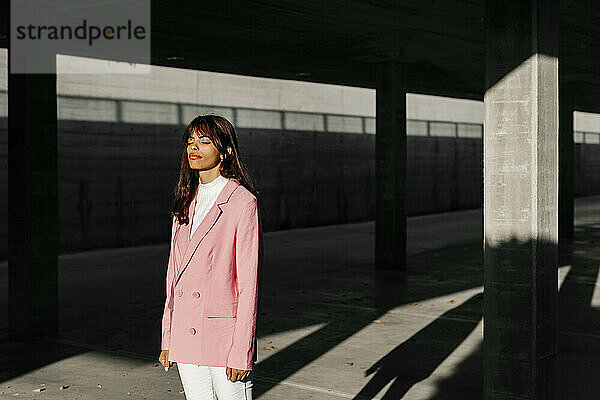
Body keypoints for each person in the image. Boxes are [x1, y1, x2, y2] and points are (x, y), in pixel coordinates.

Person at [158, 115, 262, 400]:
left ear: (225, 151)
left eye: (205, 141)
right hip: (186, 332)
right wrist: (169, 336)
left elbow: (248, 285)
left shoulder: (242, 202)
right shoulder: (184, 200)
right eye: (190, 141)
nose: (194, 148)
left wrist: (242, 350)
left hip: (224, 337)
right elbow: (173, 276)